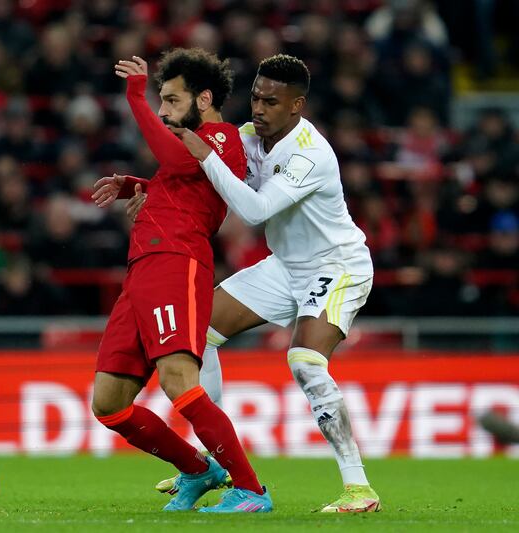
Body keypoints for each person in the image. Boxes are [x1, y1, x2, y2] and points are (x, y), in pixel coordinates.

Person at [120, 54, 381, 513]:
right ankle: (217, 459)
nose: (258, 109)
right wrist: (142, 188)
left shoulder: (309, 153)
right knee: (199, 335)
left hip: (337, 264)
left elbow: (256, 210)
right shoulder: (246, 136)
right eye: (256, 97)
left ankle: (359, 489)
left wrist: (205, 154)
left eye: (272, 102)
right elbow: (194, 178)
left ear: (297, 105)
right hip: (285, 266)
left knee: (304, 361)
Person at [89, 49, 272, 514]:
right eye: (160, 101)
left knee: (178, 380)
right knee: (109, 403)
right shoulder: (187, 146)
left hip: (178, 263)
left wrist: (137, 99)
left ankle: (251, 490)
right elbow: (178, 181)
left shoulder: (223, 137)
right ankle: (197, 470)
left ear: (204, 98)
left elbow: (182, 159)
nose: (165, 111)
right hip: (141, 271)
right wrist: (139, 185)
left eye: (171, 100)